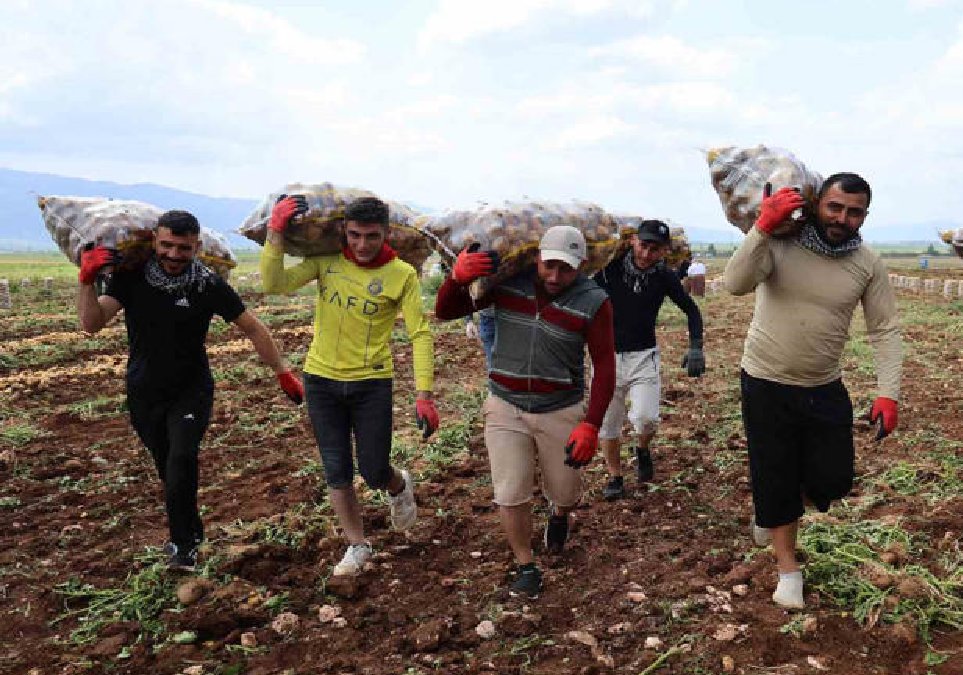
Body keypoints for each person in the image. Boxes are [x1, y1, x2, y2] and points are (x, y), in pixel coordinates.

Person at [76, 210, 304, 572]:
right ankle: (192, 530)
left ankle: (183, 547)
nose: (173, 254)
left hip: (191, 389)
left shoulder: (207, 285)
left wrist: (283, 372)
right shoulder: (130, 277)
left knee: (182, 459)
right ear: (154, 241)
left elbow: (254, 328)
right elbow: (92, 324)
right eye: (166, 245)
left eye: (183, 248)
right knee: (169, 469)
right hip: (144, 391)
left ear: (196, 247)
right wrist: (86, 281)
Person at [725, 173, 903, 609]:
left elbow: (884, 329)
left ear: (865, 215)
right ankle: (788, 569)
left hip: (823, 385)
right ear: (817, 203)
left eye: (854, 211)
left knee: (834, 479)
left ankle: (777, 508)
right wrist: (762, 228)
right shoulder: (782, 241)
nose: (843, 218)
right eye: (835, 207)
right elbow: (735, 283)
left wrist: (888, 392)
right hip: (765, 380)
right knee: (775, 474)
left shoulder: (866, 263)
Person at [260, 195, 439, 576]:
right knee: (336, 469)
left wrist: (424, 395)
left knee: (373, 470)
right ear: (344, 230)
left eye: (371, 236)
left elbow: (419, 334)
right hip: (321, 380)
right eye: (354, 235)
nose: (361, 245)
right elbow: (274, 283)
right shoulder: (327, 262)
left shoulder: (401, 274)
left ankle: (397, 485)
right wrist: (276, 231)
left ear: (386, 233)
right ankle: (357, 546)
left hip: (370, 383)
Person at [434, 226, 616, 599]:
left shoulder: (594, 301)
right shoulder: (507, 284)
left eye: (565, 269)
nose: (554, 277)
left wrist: (591, 424)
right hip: (506, 404)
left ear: (581, 265)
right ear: (536, 258)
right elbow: (446, 311)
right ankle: (525, 564)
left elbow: (604, 365)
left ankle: (560, 514)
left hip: (560, 408)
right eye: (548, 266)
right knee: (510, 491)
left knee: (566, 491)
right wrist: (457, 279)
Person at [593, 219, 704, 499]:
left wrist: (696, 346)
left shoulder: (663, 276)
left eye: (654, 249)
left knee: (646, 419)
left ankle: (642, 448)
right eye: (643, 246)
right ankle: (615, 476)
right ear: (632, 241)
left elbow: (691, 310)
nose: (646, 254)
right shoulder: (607, 269)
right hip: (605, 357)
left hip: (644, 356)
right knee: (608, 423)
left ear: (664, 251)